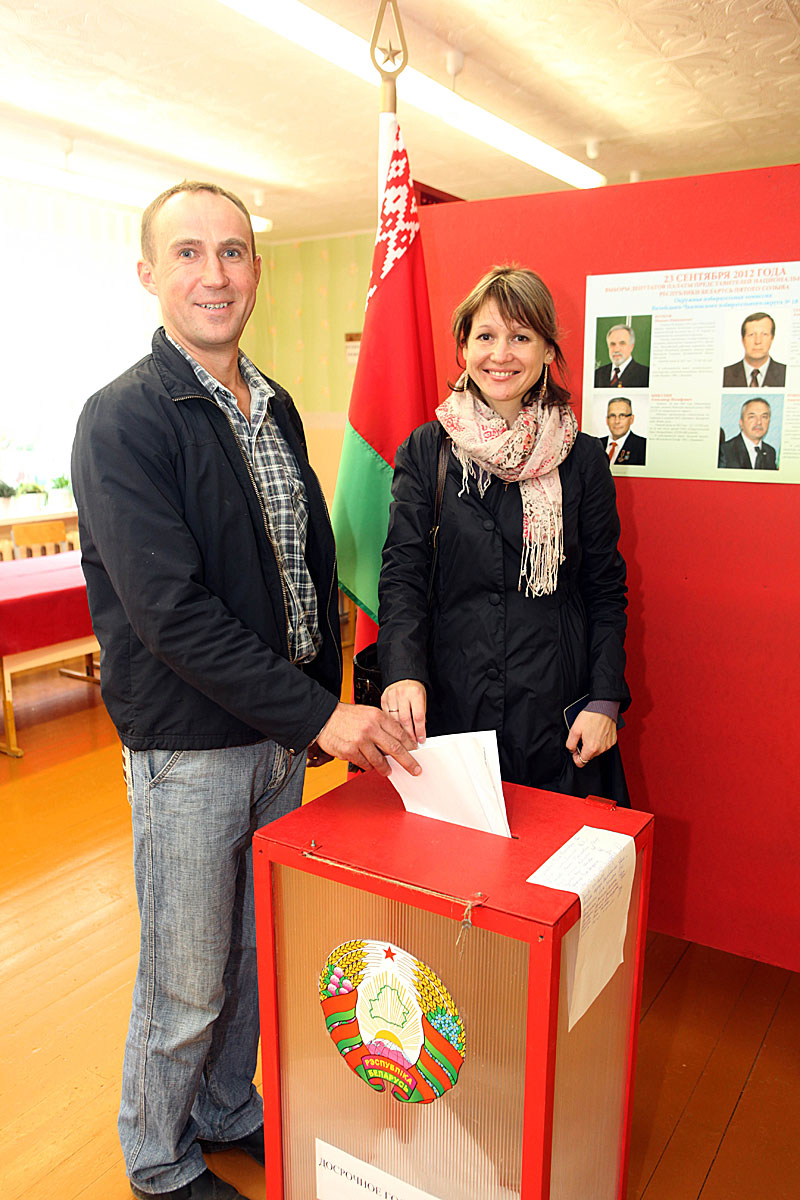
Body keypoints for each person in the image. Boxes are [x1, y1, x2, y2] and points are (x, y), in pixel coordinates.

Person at [71, 181, 419, 1200]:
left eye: (232, 252)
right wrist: (324, 712)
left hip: (276, 741)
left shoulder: (271, 409)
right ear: (149, 274)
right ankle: (159, 1157)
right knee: (184, 978)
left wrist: (317, 711)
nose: (213, 274)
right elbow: (170, 615)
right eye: (188, 254)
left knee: (247, 958)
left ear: (256, 271)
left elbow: (298, 574)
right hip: (190, 749)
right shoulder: (122, 420)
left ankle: (227, 1110)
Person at [377, 266, 631, 805]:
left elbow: (604, 589)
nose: (501, 354)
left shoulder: (582, 459)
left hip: (560, 717)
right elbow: (403, 574)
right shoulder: (429, 450)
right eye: (486, 336)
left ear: (546, 350)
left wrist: (605, 700)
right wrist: (401, 673)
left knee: (556, 880)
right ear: (464, 347)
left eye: (521, 337)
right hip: (451, 711)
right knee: (459, 876)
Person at [722, 312, 786, 388]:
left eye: (764, 334)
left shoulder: (785, 373)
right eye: (751, 335)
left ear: (772, 338)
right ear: (743, 339)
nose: (758, 341)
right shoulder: (725, 374)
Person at [719, 397, 778, 469]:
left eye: (764, 417)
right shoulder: (725, 450)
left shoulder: (770, 452)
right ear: (741, 423)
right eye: (752, 417)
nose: (759, 422)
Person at [594, 324, 649, 388]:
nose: (616, 349)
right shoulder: (598, 374)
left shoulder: (645, 375)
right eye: (612, 344)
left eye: (622, 343)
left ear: (631, 347)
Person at [600, 397, 647, 465]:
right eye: (612, 416)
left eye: (622, 415)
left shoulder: (643, 446)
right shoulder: (596, 445)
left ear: (631, 419)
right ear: (607, 420)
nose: (617, 421)